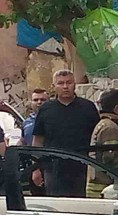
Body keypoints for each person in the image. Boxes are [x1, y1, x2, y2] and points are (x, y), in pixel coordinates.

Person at [31, 69, 100, 197]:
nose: (65, 87)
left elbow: (97, 138)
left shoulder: (88, 107)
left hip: (83, 168)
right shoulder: (46, 109)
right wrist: (35, 168)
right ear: (54, 86)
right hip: (53, 169)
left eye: (69, 82)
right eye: (60, 83)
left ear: (74, 84)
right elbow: (38, 141)